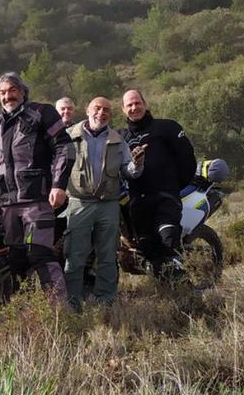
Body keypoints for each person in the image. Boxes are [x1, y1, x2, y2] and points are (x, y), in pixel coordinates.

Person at [0, 72, 73, 300]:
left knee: (40, 254)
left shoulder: (42, 112)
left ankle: (60, 312)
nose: (7, 96)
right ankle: (26, 310)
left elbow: (64, 147)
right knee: (16, 260)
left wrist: (58, 185)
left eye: (12, 90)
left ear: (22, 91)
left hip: (38, 198)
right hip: (8, 203)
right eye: (2, 93)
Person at [64, 97, 144, 308]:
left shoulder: (119, 140)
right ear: (87, 110)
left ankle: (106, 301)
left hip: (108, 205)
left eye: (106, 110)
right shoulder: (68, 137)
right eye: (97, 108)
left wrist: (137, 163)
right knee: (74, 256)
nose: (102, 113)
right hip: (78, 203)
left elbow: (128, 171)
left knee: (108, 256)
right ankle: (72, 304)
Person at [121, 89, 196, 280]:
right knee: (148, 248)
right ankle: (169, 291)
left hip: (166, 196)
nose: (134, 107)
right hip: (138, 201)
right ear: (123, 110)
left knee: (168, 238)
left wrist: (173, 185)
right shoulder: (120, 138)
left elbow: (187, 159)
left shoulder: (167, 127)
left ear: (145, 104)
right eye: (129, 105)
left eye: (137, 103)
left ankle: (187, 289)